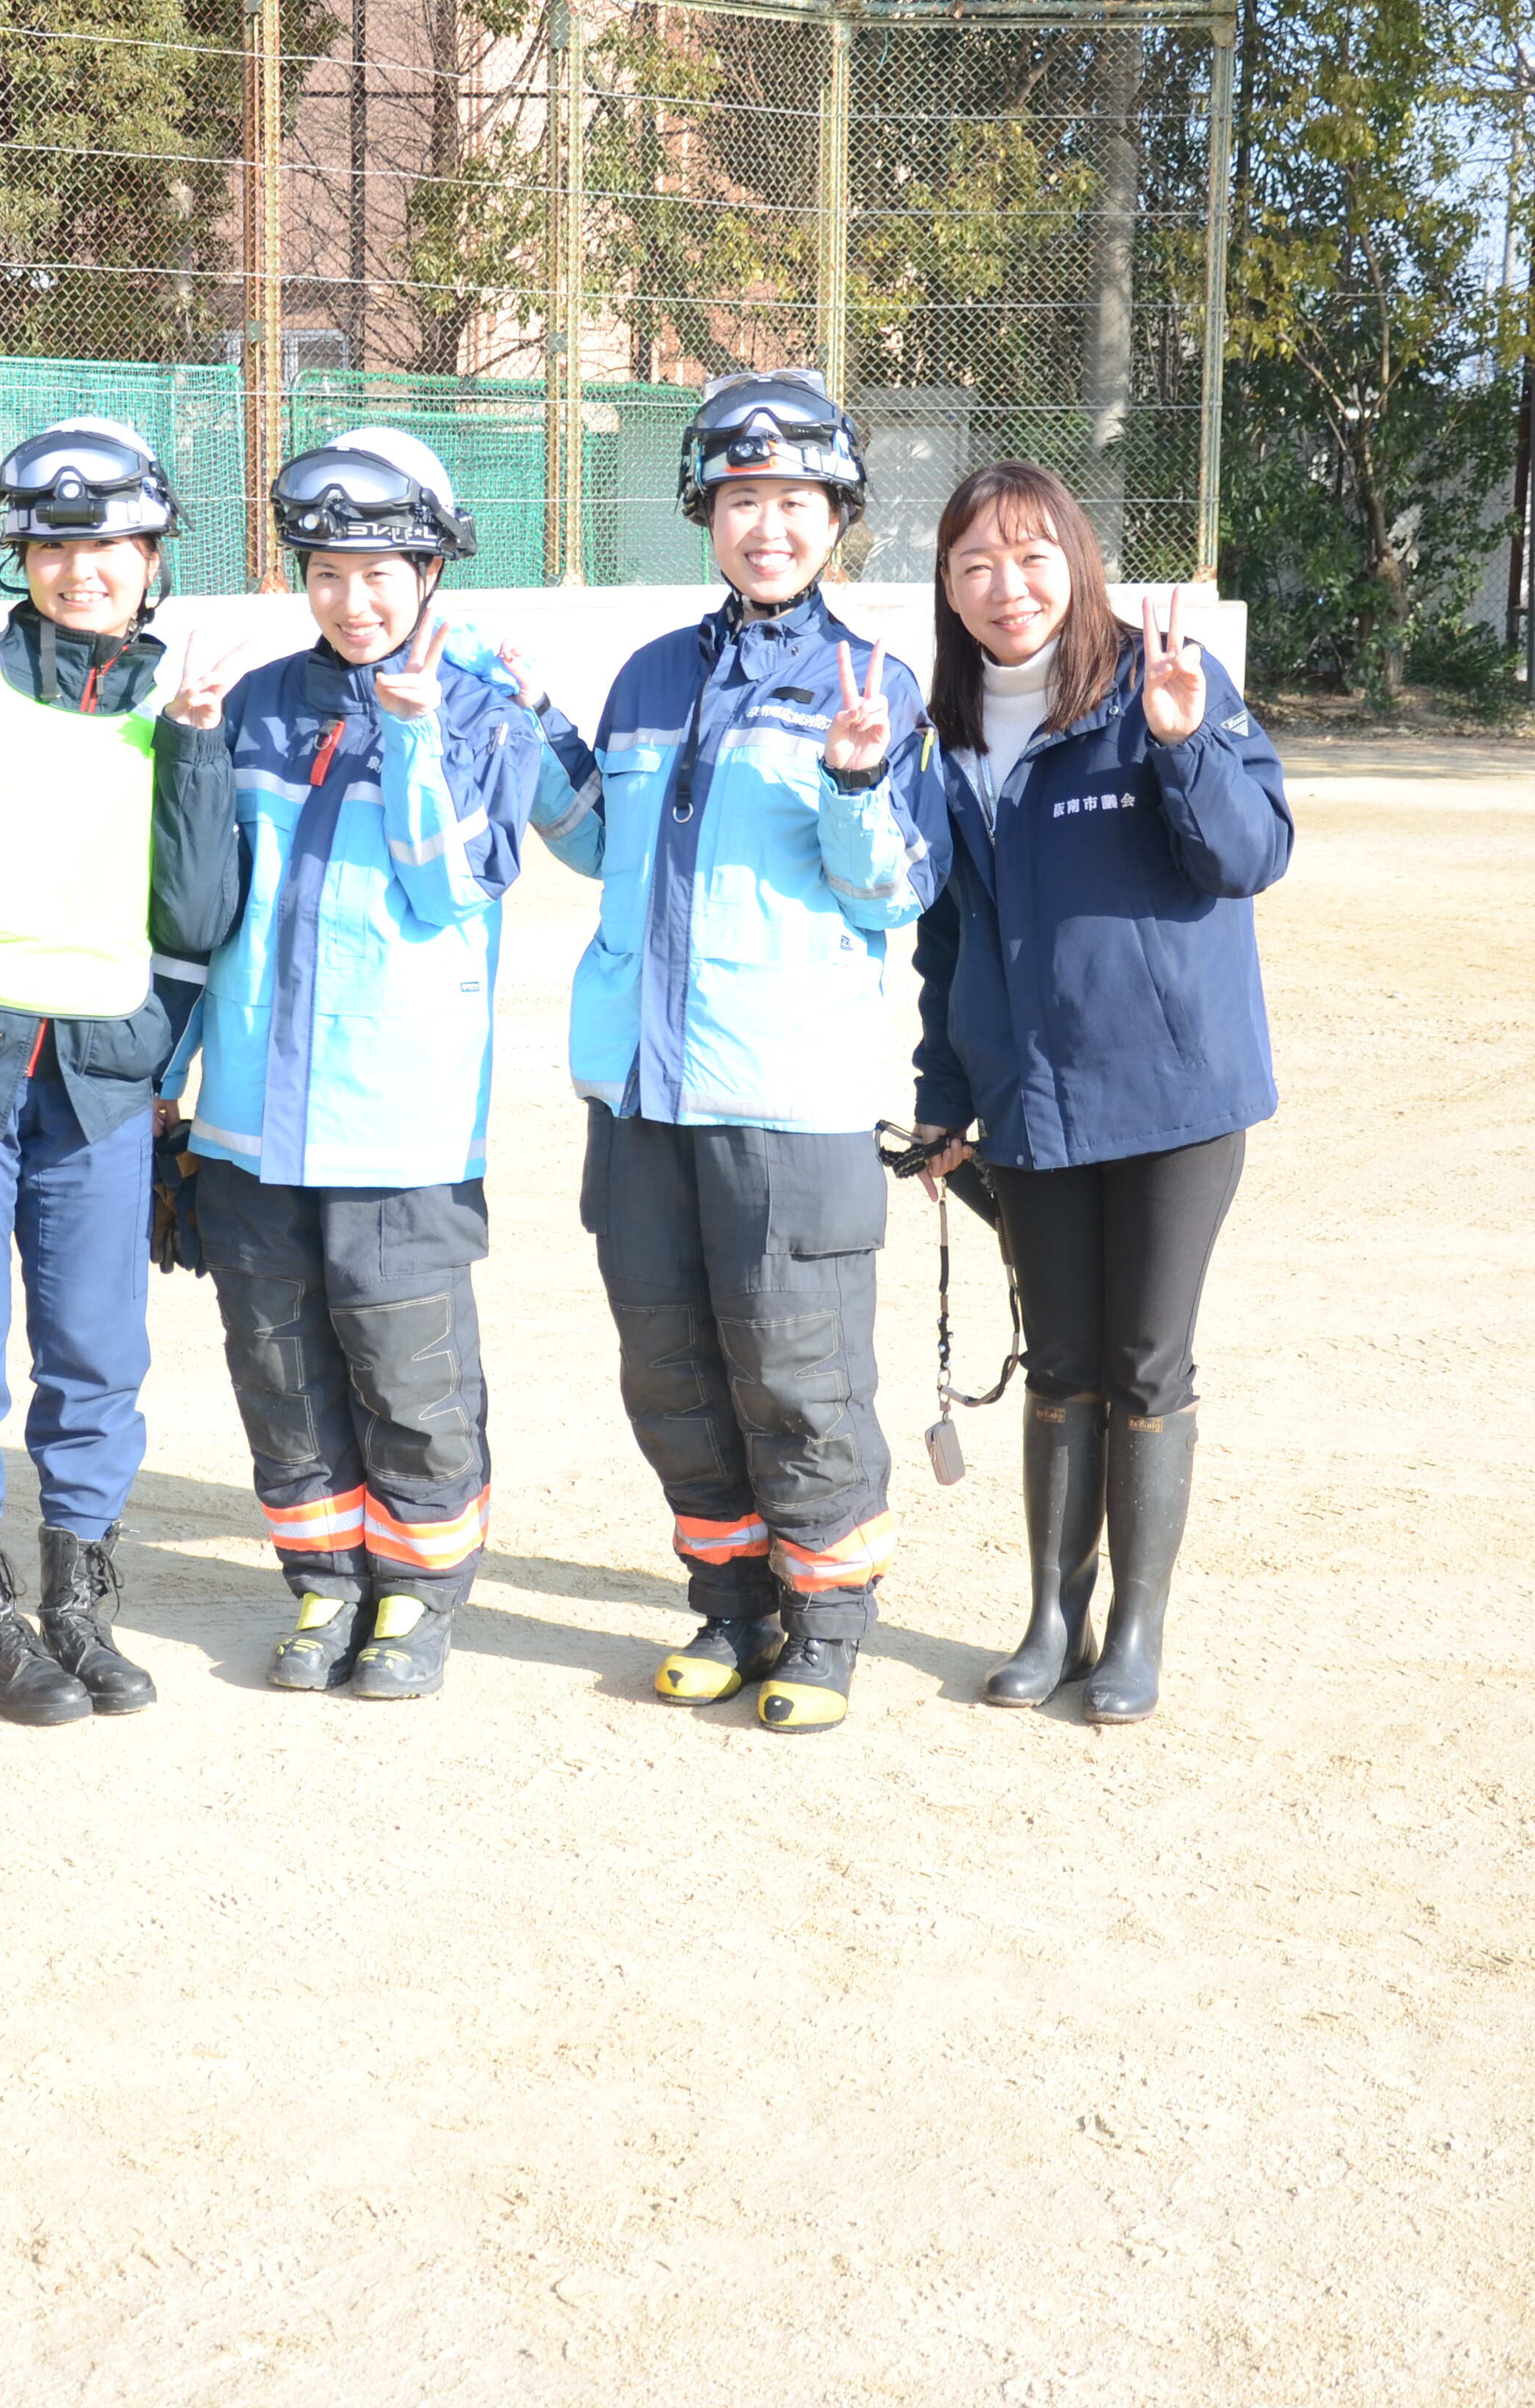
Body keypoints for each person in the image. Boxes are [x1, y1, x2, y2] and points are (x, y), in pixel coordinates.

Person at [518, 369, 947, 1736]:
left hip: (789, 1097)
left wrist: (860, 777)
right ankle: (728, 1604)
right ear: (706, 509)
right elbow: (591, 841)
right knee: (673, 1368)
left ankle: (824, 1624)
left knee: (798, 1367)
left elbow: (892, 892)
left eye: (798, 503)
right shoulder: (651, 674)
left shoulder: (871, 681)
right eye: (745, 500)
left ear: (839, 520)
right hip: (642, 1096)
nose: (770, 527)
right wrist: (525, 726)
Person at [0, 417, 240, 1726]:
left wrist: (195, 745)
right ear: (21, 553)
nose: (87, 570)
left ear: (154, 560)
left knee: (98, 1353)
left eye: (116, 545)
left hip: (97, 1086)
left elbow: (194, 913)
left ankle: (81, 1602)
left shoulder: (179, 704)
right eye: (58, 544)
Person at [904, 460, 1292, 1724]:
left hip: (1175, 1094)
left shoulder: (1160, 682)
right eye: (975, 564)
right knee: (1059, 1359)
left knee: (1144, 1362)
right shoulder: (949, 731)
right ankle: (1051, 1618)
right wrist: (944, 1095)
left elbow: (1252, 854)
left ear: (1077, 560)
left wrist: (1181, 749)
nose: (1005, 586)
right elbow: (950, 931)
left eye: (1030, 557)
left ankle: (1137, 1629)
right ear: (950, 591)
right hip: (1031, 1099)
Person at [162, 429, 539, 1700]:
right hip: (252, 1125)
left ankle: (416, 1603)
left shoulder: (489, 712)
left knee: (411, 1379)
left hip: (403, 1130)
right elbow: (198, 903)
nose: (353, 598)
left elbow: (451, 890)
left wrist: (422, 738)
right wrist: (194, 745)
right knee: (279, 1371)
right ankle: (325, 1589)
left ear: (434, 569)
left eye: (383, 570)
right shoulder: (261, 702)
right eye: (327, 572)